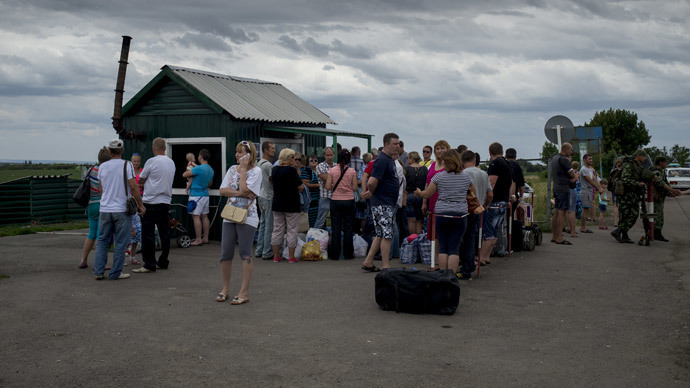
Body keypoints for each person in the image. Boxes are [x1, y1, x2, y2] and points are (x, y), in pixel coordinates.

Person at [217, 140, 262, 304]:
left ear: (250, 155)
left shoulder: (256, 171)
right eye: (237, 152)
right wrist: (240, 192)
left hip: (248, 216)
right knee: (226, 253)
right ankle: (225, 289)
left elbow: (244, 190)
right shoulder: (230, 169)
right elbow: (222, 190)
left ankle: (244, 292)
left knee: (245, 253)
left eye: (241, 152)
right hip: (230, 214)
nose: (237, 155)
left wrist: (243, 171)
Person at [93, 139, 145, 280]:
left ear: (110, 151)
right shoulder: (127, 165)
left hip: (105, 209)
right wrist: (140, 205)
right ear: (122, 151)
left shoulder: (102, 167)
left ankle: (98, 271)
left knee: (103, 240)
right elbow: (134, 187)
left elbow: (101, 189)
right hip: (121, 209)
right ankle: (115, 273)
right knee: (121, 242)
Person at [415, 150, 474, 272]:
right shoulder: (467, 176)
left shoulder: (439, 176)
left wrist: (419, 193)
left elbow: (428, 193)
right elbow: (473, 193)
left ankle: (442, 275)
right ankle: (451, 276)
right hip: (459, 214)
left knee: (443, 246)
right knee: (454, 247)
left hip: (441, 213)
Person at [132, 137, 175, 273]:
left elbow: (142, 179)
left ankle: (149, 263)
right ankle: (163, 261)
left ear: (153, 148)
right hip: (166, 201)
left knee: (148, 233)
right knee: (164, 233)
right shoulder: (171, 162)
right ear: (164, 148)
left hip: (151, 201)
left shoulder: (151, 161)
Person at [360, 133, 400, 272]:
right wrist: (371, 191)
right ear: (387, 144)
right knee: (387, 234)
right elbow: (371, 181)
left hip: (383, 202)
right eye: (395, 144)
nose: (398, 146)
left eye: (399, 144)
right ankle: (386, 265)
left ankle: (368, 261)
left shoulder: (388, 159)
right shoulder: (383, 160)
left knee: (380, 233)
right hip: (383, 202)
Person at [479, 142, 514, 261]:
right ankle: (487, 256)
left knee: (488, 232)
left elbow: (491, 183)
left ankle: (481, 258)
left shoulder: (495, 163)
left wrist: (485, 200)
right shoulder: (507, 164)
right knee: (494, 231)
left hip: (494, 202)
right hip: (503, 200)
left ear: (490, 153)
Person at [460, 150, 492, 275]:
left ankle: (466, 263)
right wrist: (485, 204)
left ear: (462, 162)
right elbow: (490, 193)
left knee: (462, 238)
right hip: (477, 208)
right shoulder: (484, 173)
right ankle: (470, 261)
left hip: (465, 209)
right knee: (471, 237)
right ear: (474, 160)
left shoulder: (463, 173)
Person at [78, 147, 111, 269]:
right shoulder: (105, 171)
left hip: (90, 205)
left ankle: (83, 260)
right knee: (101, 235)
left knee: (91, 233)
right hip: (101, 204)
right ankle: (101, 262)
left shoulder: (91, 170)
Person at [271, 148, 304, 263]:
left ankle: (276, 256)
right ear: (288, 158)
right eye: (292, 157)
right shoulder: (291, 171)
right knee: (292, 230)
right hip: (291, 204)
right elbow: (300, 187)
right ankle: (291, 256)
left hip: (277, 203)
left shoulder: (274, 169)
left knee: (277, 229)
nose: (294, 159)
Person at [611, 150, 651, 244]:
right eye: (643, 156)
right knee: (631, 214)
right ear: (638, 156)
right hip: (627, 194)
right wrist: (637, 183)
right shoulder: (629, 165)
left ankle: (623, 234)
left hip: (632, 193)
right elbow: (625, 179)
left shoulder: (637, 165)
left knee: (628, 215)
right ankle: (618, 232)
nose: (645, 158)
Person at [325, 149, 358, 260]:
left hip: (335, 201)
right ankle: (348, 254)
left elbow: (328, 187)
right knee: (348, 227)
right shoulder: (352, 171)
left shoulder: (332, 170)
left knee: (336, 227)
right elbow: (354, 188)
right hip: (349, 201)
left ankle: (335, 254)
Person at [182, 149, 214, 246]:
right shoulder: (211, 169)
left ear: (200, 157)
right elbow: (210, 184)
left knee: (196, 217)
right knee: (204, 216)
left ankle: (198, 239)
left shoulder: (199, 168)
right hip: (205, 195)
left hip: (196, 195)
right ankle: (206, 238)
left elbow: (184, 174)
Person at [423, 140, 450, 243]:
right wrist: (424, 202)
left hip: (445, 203)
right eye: (437, 149)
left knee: (443, 236)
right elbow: (427, 184)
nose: (440, 151)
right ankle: (435, 258)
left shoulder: (450, 165)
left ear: (448, 149)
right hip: (432, 203)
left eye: (442, 148)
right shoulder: (433, 164)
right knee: (434, 237)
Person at [648, 156, 681, 241]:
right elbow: (660, 183)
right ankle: (656, 234)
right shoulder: (656, 172)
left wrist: (670, 193)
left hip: (658, 197)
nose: (666, 164)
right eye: (665, 162)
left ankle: (654, 233)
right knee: (657, 216)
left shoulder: (661, 172)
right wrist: (672, 190)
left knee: (656, 216)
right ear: (661, 162)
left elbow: (665, 183)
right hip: (655, 198)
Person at [550, 143, 577, 245]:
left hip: (556, 187)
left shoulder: (554, 158)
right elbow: (571, 173)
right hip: (563, 188)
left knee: (556, 212)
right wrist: (574, 177)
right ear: (566, 150)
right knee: (562, 212)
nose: (571, 152)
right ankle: (560, 237)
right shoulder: (564, 159)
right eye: (571, 150)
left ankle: (554, 236)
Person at [255, 141, 275, 260]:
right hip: (268, 195)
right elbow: (273, 180)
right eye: (272, 148)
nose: (273, 150)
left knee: (262, 224)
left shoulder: (259, 163)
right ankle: (267, 251)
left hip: (260, 195)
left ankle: (259, 249)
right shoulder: (268, 165)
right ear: (266, 150)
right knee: (269, 226)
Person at [579, 154, 605, 233]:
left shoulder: (591, 169)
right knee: (585, 209)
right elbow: (589, 180)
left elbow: (594, 179)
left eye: (591, 159)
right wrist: (598, 188)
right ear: (584, 160)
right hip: (585, 190)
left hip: (590, 190)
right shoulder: (583, 169)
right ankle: (583, 227)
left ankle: (584, 227)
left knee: (587, 209)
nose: (591, 160)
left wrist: (600, 188)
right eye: (589, 159)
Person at [404, 151, 428, 235]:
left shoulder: (406, 169)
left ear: (412, 158)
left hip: (409, 195)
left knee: (411, 220)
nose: (407, 160)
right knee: (419, 220)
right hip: (421, 195)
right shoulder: (424, 169)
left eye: (408, 158)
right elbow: (426, 184)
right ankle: (418, 239)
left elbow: (404, 183)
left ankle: (412, 239)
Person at [315, 147, 336, 230]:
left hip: (335, 197)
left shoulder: (337, 166)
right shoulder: (320, 166)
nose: (329, 157)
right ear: (324, 155)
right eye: (327, 155)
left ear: (334, 155)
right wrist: (333, 179)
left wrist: (328, 181)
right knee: (321, 220)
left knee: (335, 220)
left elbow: (330, 180)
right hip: (325, 197)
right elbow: (326, 178)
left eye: (331, 155)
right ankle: (315, 238)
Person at [301, 155, 320, 228]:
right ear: (308, 162)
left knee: (319, 218)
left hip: (319, 198)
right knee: (311, 219)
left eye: (315, 160)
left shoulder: (319, 170)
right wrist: (318, 185)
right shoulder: (306, 171)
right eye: (311, 160)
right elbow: (305, 184)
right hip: (310, 199)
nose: (314, 162)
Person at [566, 160, 580, 238]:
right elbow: (575, 180)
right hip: (573, 190)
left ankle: (568, 226)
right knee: (572, 211)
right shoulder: (576, 172)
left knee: (567, 210)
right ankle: (572, 231)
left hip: (566, 190)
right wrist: (576, 176)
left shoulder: (567, 171)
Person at [608, 158, 623, 226]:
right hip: (622, 189)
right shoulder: (624, 171)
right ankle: (621, 220)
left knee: (615, 205)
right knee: (621, 205)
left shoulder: (613, 171)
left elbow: (610, 181)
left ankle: (615, 221)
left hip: (614, 189)